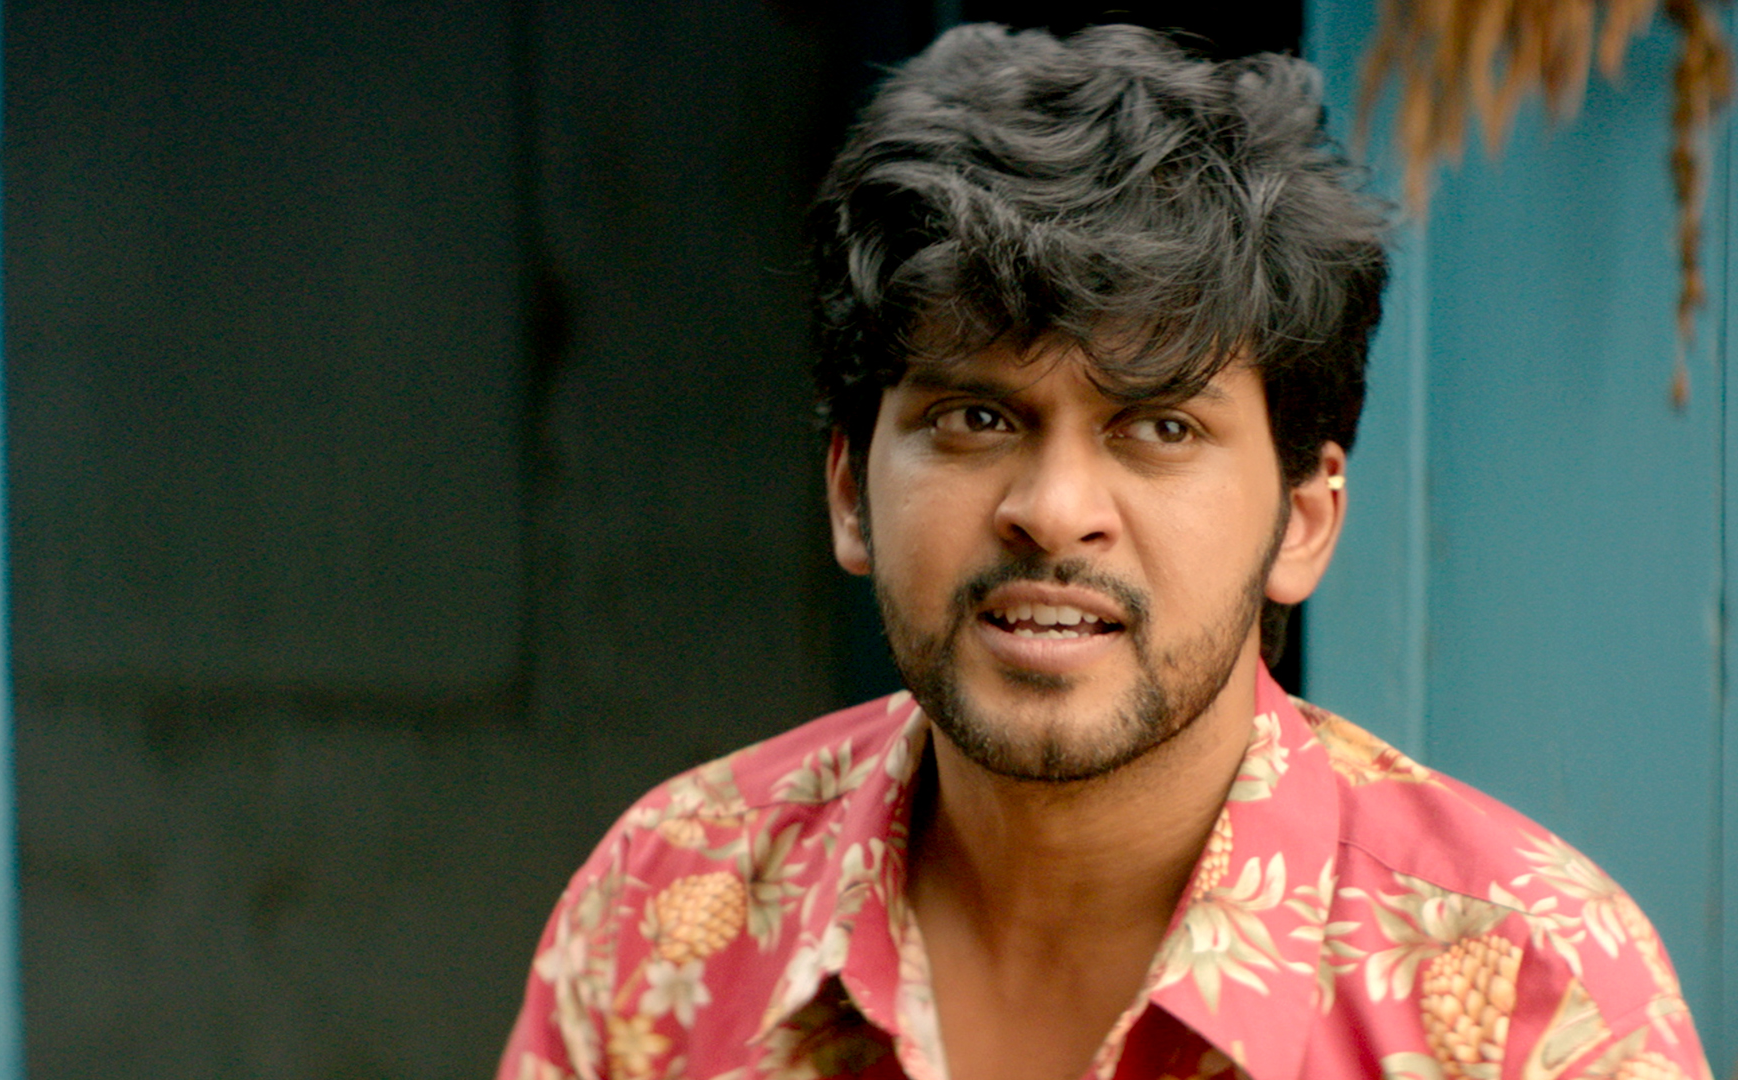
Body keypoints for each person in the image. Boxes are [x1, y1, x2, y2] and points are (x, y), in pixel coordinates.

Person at [497, 23, 1710, 1080]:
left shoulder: (1529, 1002)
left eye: (1160, 427)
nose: (1054, 508)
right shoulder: (667, 909)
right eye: (975, 418)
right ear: (851, 493)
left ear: (1302, 520)